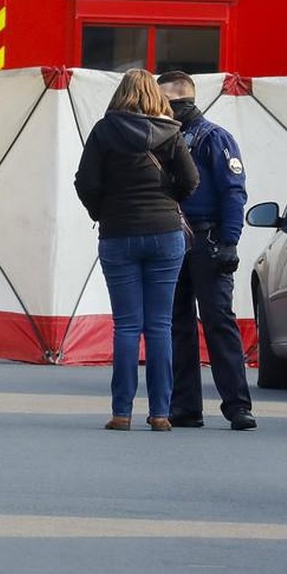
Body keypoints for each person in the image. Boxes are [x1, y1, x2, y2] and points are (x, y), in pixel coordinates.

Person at [74, 69, 198, 432]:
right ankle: (161, 413)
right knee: (159, 325)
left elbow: (85, 182)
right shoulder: (171, 132)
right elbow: (191, 180)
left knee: (126, 326)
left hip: (118, 234)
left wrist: (102, 211)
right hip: (164, 234)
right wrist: (167, 202)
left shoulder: (104, 131)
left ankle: (121, 412)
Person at [156, 70, 256, 431]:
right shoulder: (164, 139)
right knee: (176, 324)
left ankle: (238, 406)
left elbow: (233, 190)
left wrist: (230, 241)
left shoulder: (214, 138)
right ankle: (185, 406)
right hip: (173, 238)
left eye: (163, 103)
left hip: (207, 237)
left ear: (181, 104)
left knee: (218, 322)